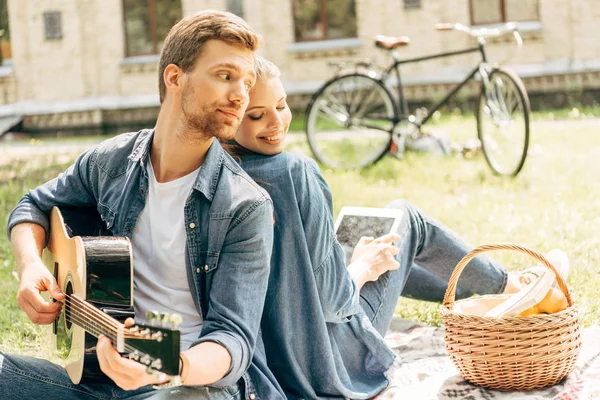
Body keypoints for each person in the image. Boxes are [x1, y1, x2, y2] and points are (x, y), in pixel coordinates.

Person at [226, 57, 566, 399]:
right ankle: (511, 288)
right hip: (330, 361)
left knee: (382, 242)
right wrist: (360, 267)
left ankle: (491, 292)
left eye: (282, 105)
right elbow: (333, 303)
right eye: (256, 115)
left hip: (275, 368)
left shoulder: (219, 175)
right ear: (231, 117)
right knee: (404, 218)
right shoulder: (295, 172)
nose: (276, 121)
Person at [2, 11, 285, 400]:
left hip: (188, 385)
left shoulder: (244, 206)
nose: (241, 94)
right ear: (174, 78)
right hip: (94, 376)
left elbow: (232, 339)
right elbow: (32, 206)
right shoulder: (110, 162)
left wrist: (171, 364)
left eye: (247, 82)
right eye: (225, 76)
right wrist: (30, 266)